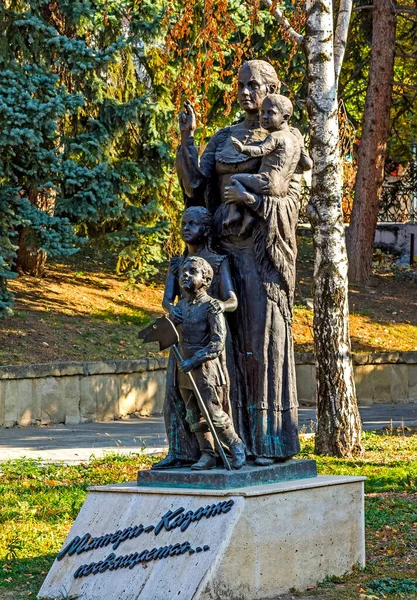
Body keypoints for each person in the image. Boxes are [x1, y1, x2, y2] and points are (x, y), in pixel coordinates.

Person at [176, 59, 311, 465]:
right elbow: (196, 190)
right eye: (241, 85)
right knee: (221, 352)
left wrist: (251, 201)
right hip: (220, 258)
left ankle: (268, 443)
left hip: (262, 256)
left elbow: (291, 198)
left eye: (255, 85)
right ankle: (219, 446)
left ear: (272, 88)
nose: (246, 92)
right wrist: (187, 139)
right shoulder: (223, 138)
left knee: (261, 346)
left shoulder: (287, 138)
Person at [152, 206, 238, 470]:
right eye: (183, 223)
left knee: (212, 400)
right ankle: (180, 450)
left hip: (208, 337)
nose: (186, 228)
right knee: (176, 398)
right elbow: (168, 299)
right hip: (182, 334)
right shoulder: (177, 264)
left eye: (193, 224)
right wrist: (171, 309)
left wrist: (216, 307)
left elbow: (232, 300)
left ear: (206, 229)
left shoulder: (218, 261)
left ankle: (228, 448)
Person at [174, 256, 245, 470]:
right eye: (183, 272)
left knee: (213, 412)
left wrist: (194, 360)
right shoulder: (181, 307)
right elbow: (170, 333)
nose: (185, 275)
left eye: (192, 271)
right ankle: (206, 453)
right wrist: (169, 320)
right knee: (193, 413)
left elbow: (217, 343)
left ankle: (235, 445)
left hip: (205, 370)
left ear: (205, 279)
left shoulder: (211, 307)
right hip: (184, 370)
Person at [225, 94, 302, 231]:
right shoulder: (295, 140)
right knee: (249, 185)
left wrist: (243, 149)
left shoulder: (275, 136)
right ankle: (248, 217)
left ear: (285, 117)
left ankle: (234, 213)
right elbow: (308, 164)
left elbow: (260, 150)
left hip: (267, 181)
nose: (264, 117)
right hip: (281, 189)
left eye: (270, 113)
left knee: (235, 179)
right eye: (263, 112)